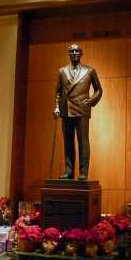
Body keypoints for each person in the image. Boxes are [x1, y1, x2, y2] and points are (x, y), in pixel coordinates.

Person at [53, 44, 102, 180]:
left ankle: (83, 172)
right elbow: (58, 91)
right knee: (68, 141)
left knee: (83, 141)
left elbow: (98, 89)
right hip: (66, 108)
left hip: (82, 108)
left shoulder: (89, 71)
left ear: (81, 53)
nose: (74, 53)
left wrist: (92, 101)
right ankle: (69, 171)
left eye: (77, 51)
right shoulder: (62, 71)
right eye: (72, 51)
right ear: (69, 54)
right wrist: (57, 107)